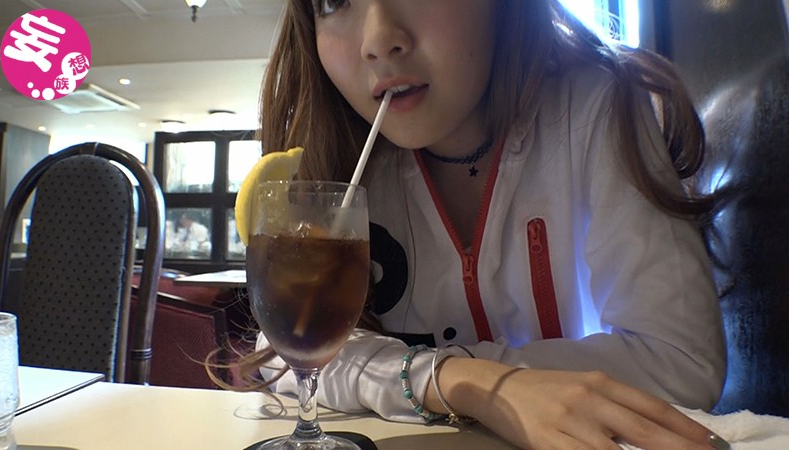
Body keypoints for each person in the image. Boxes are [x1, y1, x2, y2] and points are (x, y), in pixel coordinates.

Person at [231, 1, 728, 448]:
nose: (378, 40)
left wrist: (445, 378)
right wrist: (470, 384)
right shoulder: (336, 156)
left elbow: (681, 363)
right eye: (333, 1)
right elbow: (286, 347)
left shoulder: (596, 104)